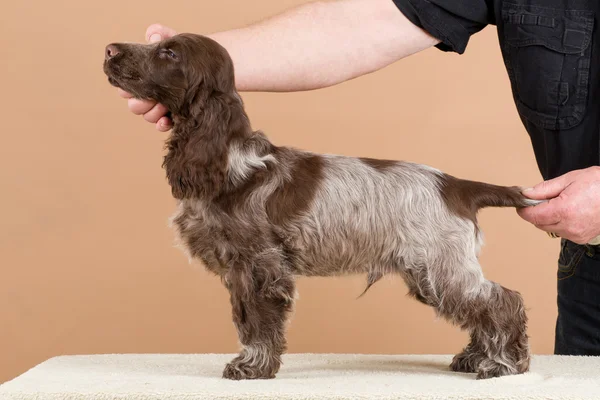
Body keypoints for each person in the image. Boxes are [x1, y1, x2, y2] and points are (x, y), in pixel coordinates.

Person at [115, 0, 600, 355]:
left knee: (448, 283)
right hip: (589, 275)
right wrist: (201, 58)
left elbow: (264, 278)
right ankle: (495, 339)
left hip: (420, 203)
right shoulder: (232, 171)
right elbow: (363, 23)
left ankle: (501, 326)